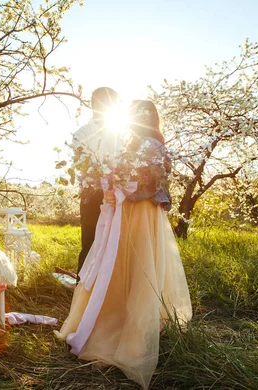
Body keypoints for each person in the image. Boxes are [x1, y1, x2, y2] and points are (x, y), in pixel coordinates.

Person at [56, 100, 193, 389]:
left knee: (140, 267)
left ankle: (135, 334)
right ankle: (114, 321)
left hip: (143, 215)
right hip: (126, 216)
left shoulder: (156, 145)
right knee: (118, 268)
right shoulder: (130, 145)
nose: (135, 123)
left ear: (149, 120)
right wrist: (110, 188)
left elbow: (156, 183)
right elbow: (121, 176)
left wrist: (124, 190)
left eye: (140, 118)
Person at [72, 87, 121, 277]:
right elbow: (83, 167)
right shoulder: (81, 134)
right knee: (90, 243)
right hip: (92, 195)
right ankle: (81, 295)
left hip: (117, 195)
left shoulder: (117, 133)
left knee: (113, 245)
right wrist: (103, 187)